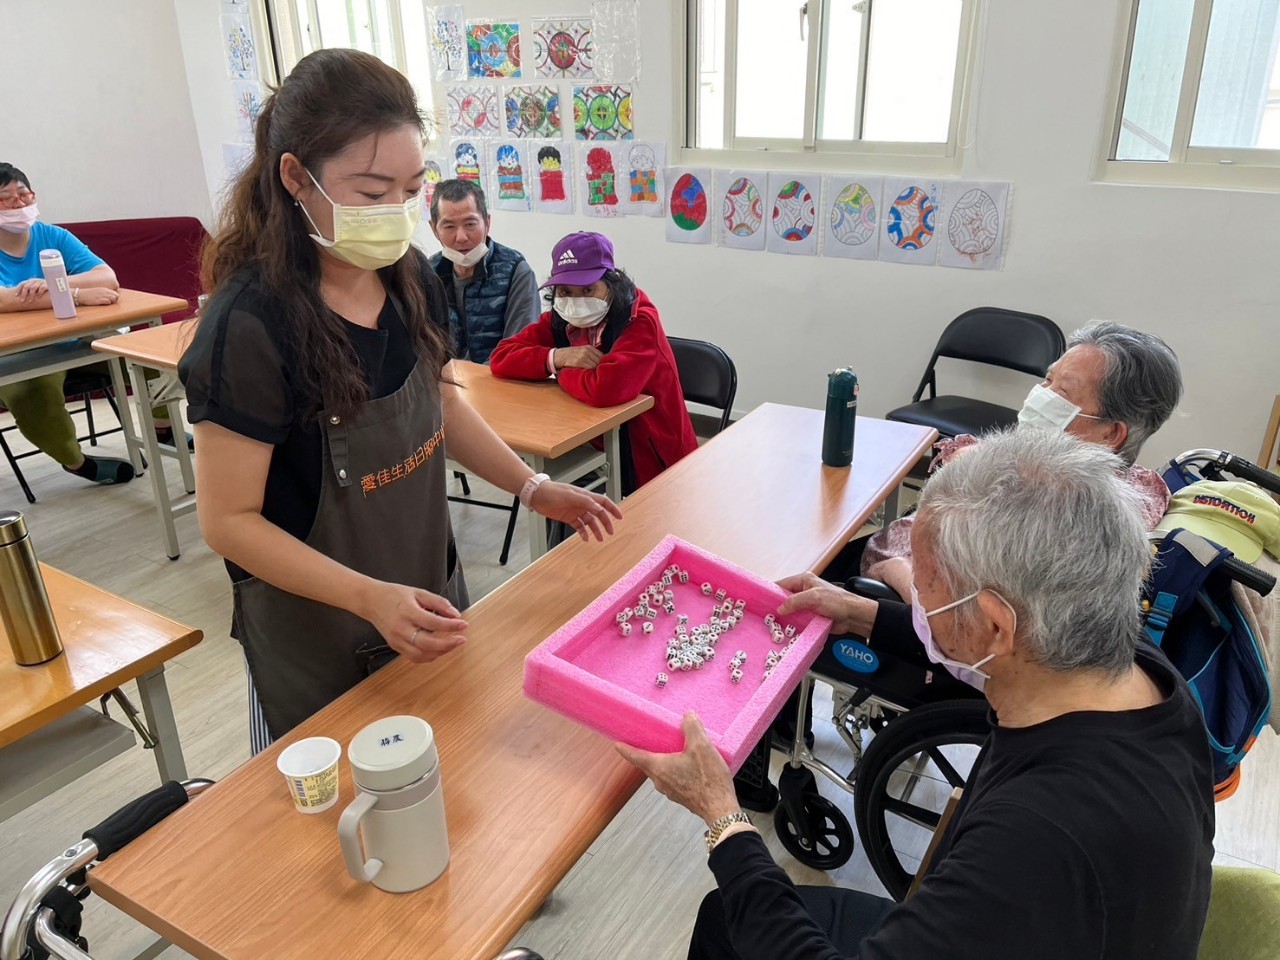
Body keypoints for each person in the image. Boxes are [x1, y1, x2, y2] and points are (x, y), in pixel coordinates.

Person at [621, 429, 1215, 960]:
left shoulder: (1036, 839)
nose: (914, 600)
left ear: (994, 624)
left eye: (921, 588)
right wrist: (862, 614)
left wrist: (723, 818)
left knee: (733, 916)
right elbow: (990, 655)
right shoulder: (1128, 663)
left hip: (1031, 912)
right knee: (725, 916)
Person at [179, 49, 622, 753]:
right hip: (319, 630)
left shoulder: (408, 276)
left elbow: (440, 404)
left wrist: (534, 488)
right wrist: (368, 597)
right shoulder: (251, 325)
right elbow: (228, 522)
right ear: (295, 177)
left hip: (423, 591)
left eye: (411, 190)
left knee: (452, 766)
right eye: (370, 191)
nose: (394, 214)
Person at [489, 231, 698, 492]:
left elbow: (606, 388)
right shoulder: (560, 318)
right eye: (565, 291)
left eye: (588, 289)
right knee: (553, 482)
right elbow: (501, 357)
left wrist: (561, 372)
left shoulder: (638, 320)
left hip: (654, 456)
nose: (576, 302)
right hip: (594, 441)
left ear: (611, 283)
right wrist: (558, 357)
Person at [0, 163, 135, 485]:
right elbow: (4, 300)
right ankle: (77, 462)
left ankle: (163, 430)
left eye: (24, 194)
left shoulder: (53, 235)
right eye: (6, 198)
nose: (19, 203)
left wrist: (53, 284)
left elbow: (107, 278)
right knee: (30, 395)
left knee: (147, 360)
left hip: (77, 340)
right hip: (20, 352)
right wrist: (78, 294)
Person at [427, 178, 539, 364]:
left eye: (470, 224)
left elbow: (521, 348)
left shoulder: (516, 271)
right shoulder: (429, 274)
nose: (461, 237)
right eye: (449, 227)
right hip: (445, 379)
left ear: (487, 223)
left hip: (499, 377)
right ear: (434, 229)